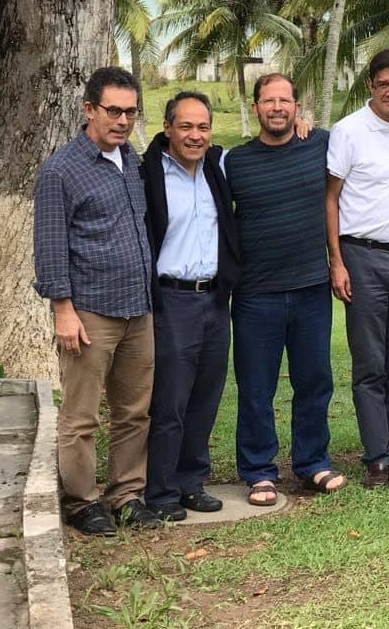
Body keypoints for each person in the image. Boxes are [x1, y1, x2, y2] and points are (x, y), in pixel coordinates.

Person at [33, 67, 159, 534]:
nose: (123, 120)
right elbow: (49, 246)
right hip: (89, 313)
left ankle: (126, 494)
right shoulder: (61, 171)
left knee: (134, 411)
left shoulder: (132, 160)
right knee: (81, 417)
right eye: (114, 111)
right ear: (89, 109)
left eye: (130, 111)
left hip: (138, 310)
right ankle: (82, 502)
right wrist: (62, 310)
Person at [227, 73, 345, 506]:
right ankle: (259, 471)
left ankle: (312, 463)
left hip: (312, 287)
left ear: (297, 108)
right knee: (256, 386)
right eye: (268, 100)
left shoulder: (320, 145)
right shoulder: (234, 162)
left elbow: (372, 134)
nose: (277, 107)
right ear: (255, 107)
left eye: (285, 100)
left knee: (314, 381)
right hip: (256, 295)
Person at [326, 49, 389, 488]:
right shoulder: (348, 131)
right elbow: (329, 198)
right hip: (361, 256)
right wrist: (336, 260)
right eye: (383, 83)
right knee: (370, 364)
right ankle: (377, 458)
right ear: (370, 84)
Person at [141, 91, 239, 520]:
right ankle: (160, 493)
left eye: (202, 127)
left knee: (205, 397)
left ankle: (191, 482)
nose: (195, 135)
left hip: (216, 299)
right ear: (168, 129)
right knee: (171, 402)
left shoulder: (218, 166)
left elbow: (276, 143)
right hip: (172, 300)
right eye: (186, 126)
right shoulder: (148, 172)